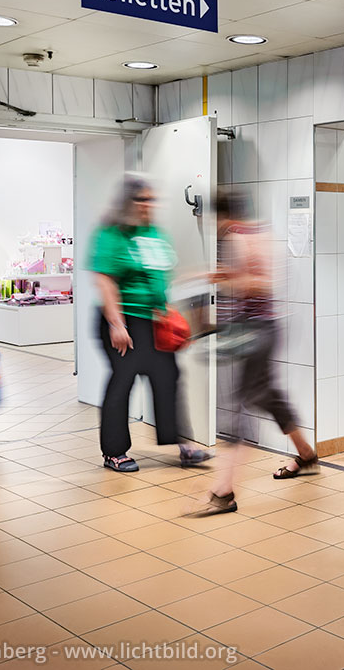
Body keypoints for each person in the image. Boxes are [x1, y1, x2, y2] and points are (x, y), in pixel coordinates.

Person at [187, 189, 318, 517]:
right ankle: (306, 454)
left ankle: (224, 491)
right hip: (265, 328)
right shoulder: (259, 232)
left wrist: (229, 281)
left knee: (240, 406)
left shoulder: (238, 238)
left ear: (224, 217)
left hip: (255, 330)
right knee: (268, 396)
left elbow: (258, 283)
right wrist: (218, 276)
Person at [89, 174, 210, 472]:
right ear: (126, 202)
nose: (147, 205)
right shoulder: (112, 234)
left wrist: (173, 315)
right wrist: (117, 324)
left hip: (154, 320)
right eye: (141, 199)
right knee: (122, 381)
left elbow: (160, 278)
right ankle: (114, 452)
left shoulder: (155, 233)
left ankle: (181, 443)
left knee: (168, 378)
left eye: (150, 199)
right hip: (122, 320)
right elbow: (104, 280)